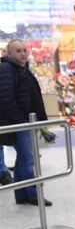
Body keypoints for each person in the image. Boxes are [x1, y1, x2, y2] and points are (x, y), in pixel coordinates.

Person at [0, 39, 51, 206]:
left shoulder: (21, 69)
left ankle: (21, 194)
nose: (23, 53)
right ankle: (34, 195)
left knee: (22, 158)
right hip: (22, 123)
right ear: (9, 53)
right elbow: (6, 99)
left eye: (24, 50)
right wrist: (22, 121)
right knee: (29, 160)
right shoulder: (7, 69)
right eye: (18, 50)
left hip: (28, 122)